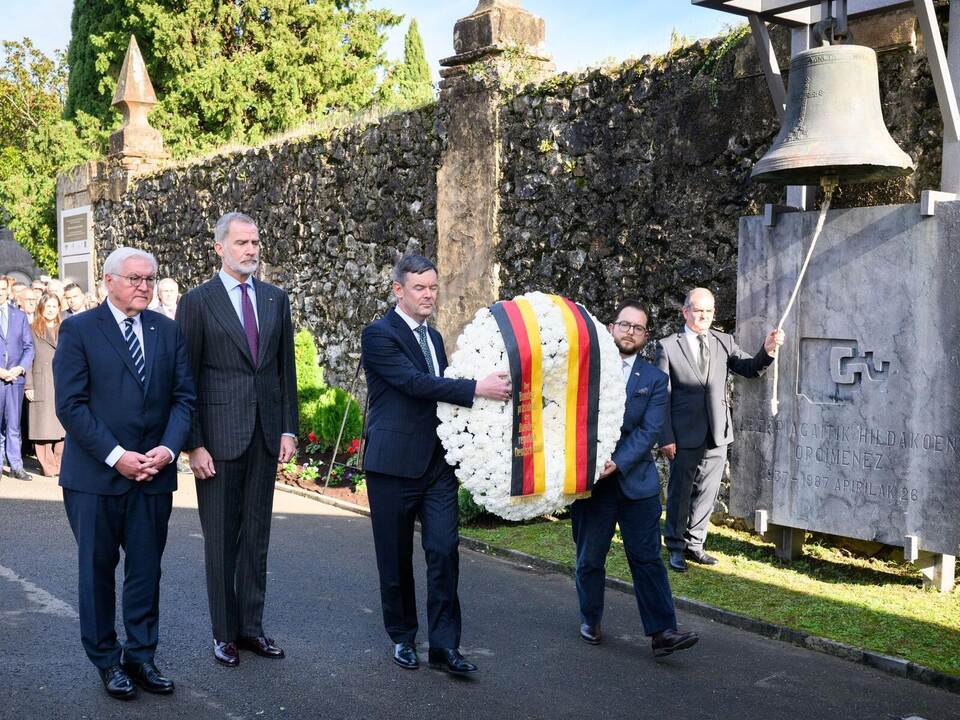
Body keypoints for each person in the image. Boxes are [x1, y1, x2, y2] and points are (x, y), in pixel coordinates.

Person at [53, 247, 194, 700]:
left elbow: (184, 398)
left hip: (153, 475)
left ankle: (141, 655)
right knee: (97, 571)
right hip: (95, 478)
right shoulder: (78, 330)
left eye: (150, 279)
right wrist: (117, 456)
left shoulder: (167, 330)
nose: (144, 286)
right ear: (108, 280)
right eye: (135, 278)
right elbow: (71, 405)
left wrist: (167, 450)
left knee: (146, 572)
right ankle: (107, 661)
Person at [360, 254, 511, 676]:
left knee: (444, 551)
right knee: (394, 559)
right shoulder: (378, 334)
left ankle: (445, 646)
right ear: (398, 290)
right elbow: (413, 383)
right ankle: (403, 637)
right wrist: (476, 388)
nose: (428, 295)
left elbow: (440, 394)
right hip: (392, 466)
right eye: (419, 288)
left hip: (437, 466)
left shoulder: (436, 336)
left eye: (432, 287)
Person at [177, 212, 298, 667]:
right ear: (219, 248)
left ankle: (251, 628)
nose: (251, 250)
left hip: (265, 437)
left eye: (255, 242)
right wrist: (194, 444)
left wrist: (287, 428)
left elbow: (284, 370)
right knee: (221, 541)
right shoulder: (197, 301)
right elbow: (184, 378)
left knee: (256, 539)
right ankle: (224, 634)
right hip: (218, 443)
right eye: (242, 243)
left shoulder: (275, 299)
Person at [571, 300, 698, 657]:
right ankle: (590, 618)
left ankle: (663, 632)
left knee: (647, 559)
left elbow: (649, 430)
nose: (630, 332)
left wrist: (617, 462)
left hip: (636, 484)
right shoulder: (584, 369)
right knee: (590, 558)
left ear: (645, 336)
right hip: (592, 486)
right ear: (611, 327)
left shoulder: (655, 380)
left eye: (638, 328)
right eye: (625, 325)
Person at [656, 288, 783, 572]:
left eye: (709, 311)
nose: (704, 316)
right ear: (685, 312)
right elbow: (661, 396)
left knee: (708, 492)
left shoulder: (724, 341)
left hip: (717, 433)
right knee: (680, 493)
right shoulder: (668, 346)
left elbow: (749, 368)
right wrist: (665, 436)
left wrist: (767, 350)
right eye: (698, 310)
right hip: (683, 434)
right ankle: (675, 546)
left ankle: (695, 545)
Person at [26, 293, 66, 476]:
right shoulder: (32, 329)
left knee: (62, 426)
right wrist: (29, 386)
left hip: (62, 381)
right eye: (48, 306)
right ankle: (48, 467)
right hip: (41, 380)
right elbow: (27, 359)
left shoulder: (66, 328)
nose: (51, 310)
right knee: (43, 426)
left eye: (54, 306)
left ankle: (60, 464)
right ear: (41, 308)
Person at [0, 277, 34, 480]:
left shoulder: (19, 316)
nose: (0, 292)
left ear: (9, 291)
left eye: (3, 289)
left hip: (15, 379)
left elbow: (29, 347)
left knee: (13, 424)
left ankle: (16, 466)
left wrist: (20, 368)